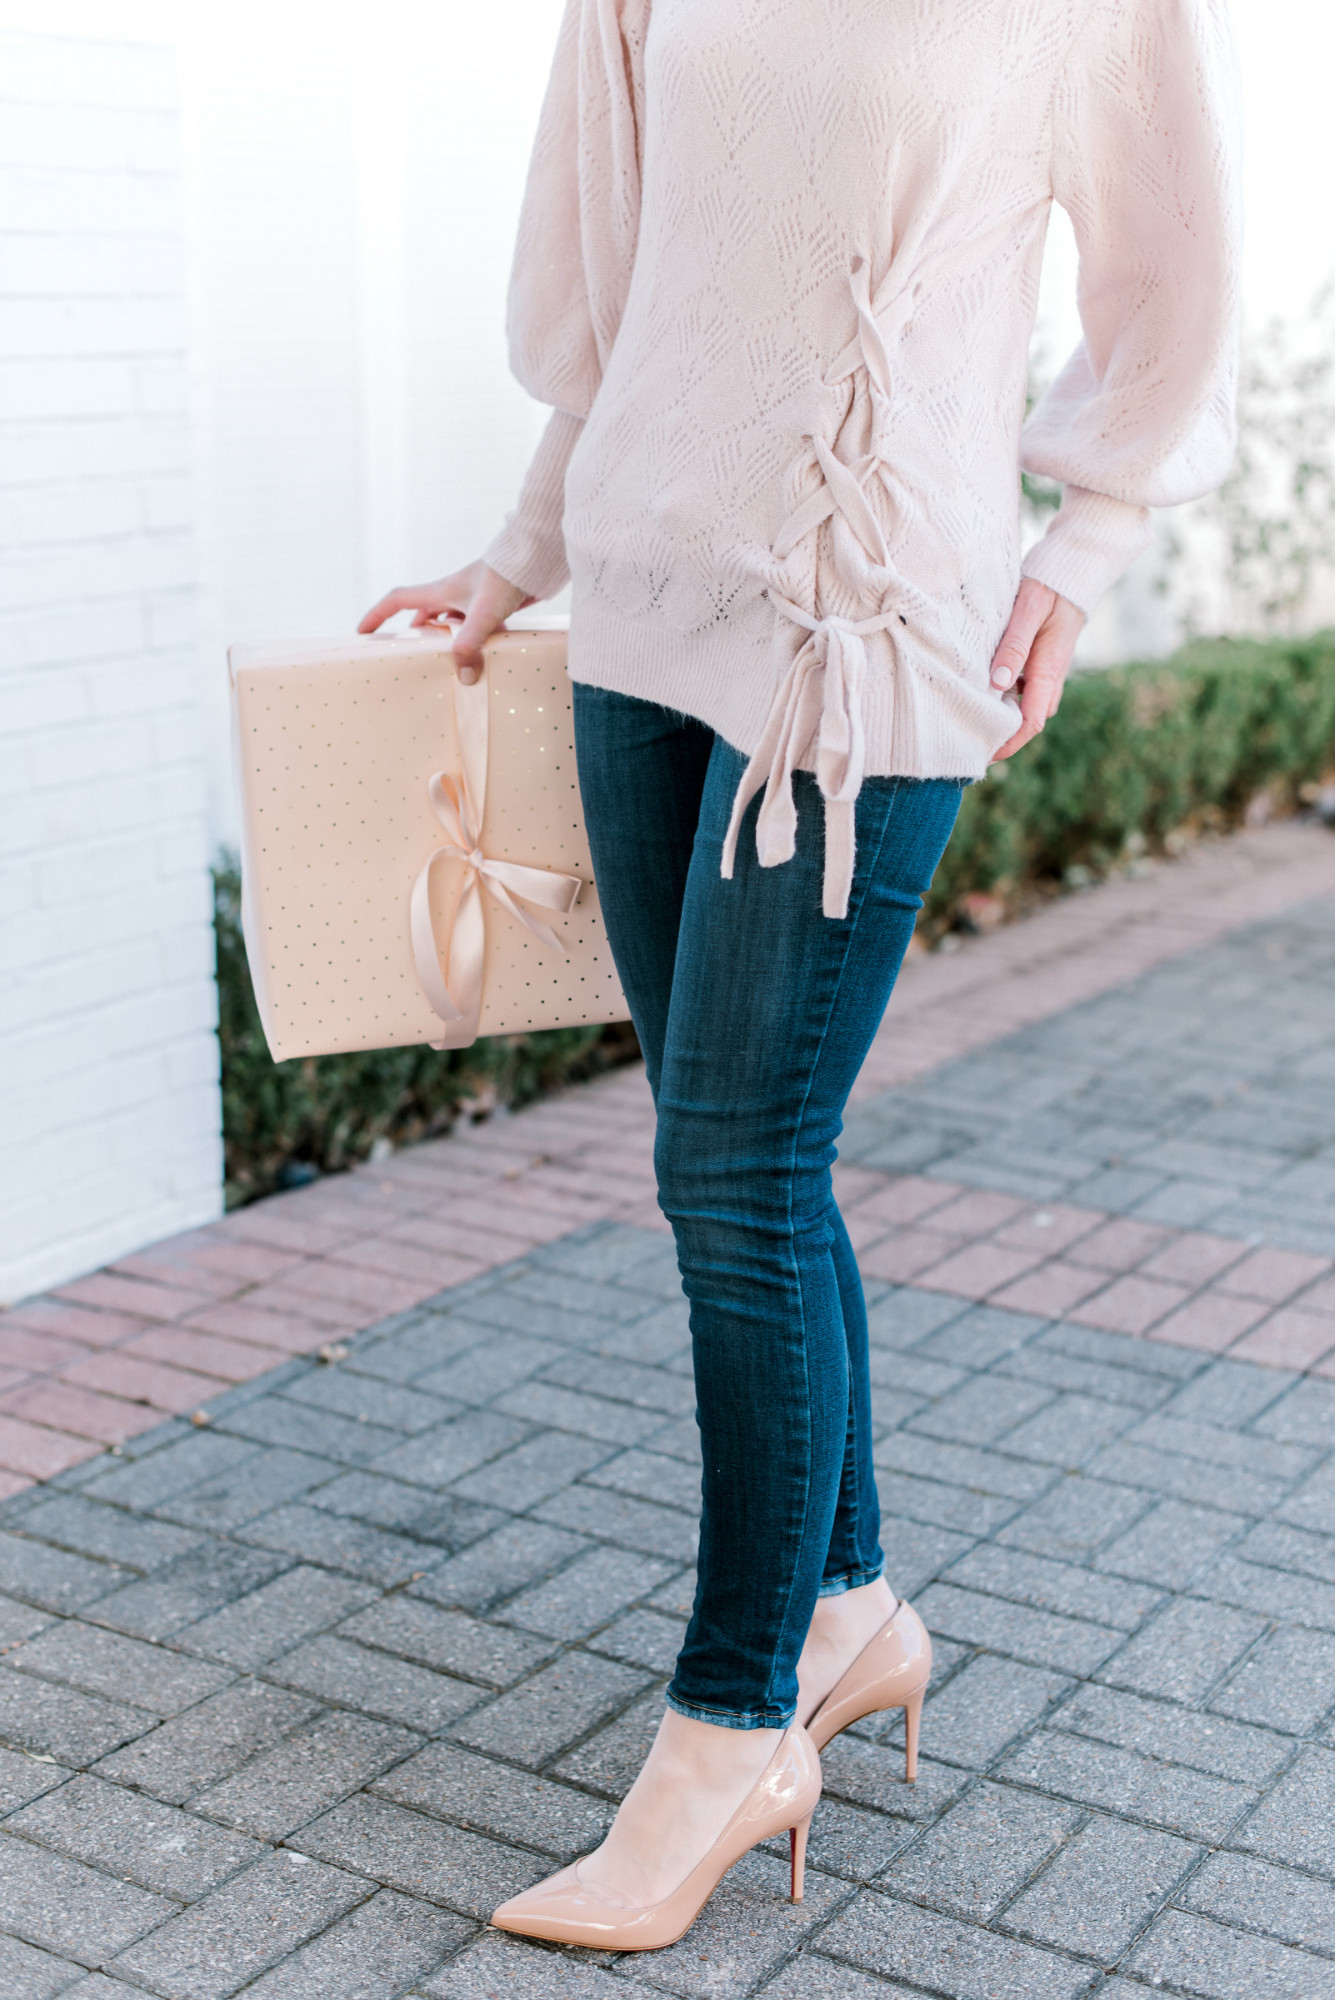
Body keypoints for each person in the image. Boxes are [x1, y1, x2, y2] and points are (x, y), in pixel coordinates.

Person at [361, 0, 1240, 1952]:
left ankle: (733, 1722)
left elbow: (1167, 269)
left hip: (864, 636)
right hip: (639, 600)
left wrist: (1078, 554)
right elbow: (613, 268)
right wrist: (513, 555)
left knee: (735, 1186)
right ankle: (842, 1608)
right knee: (729, 1161)